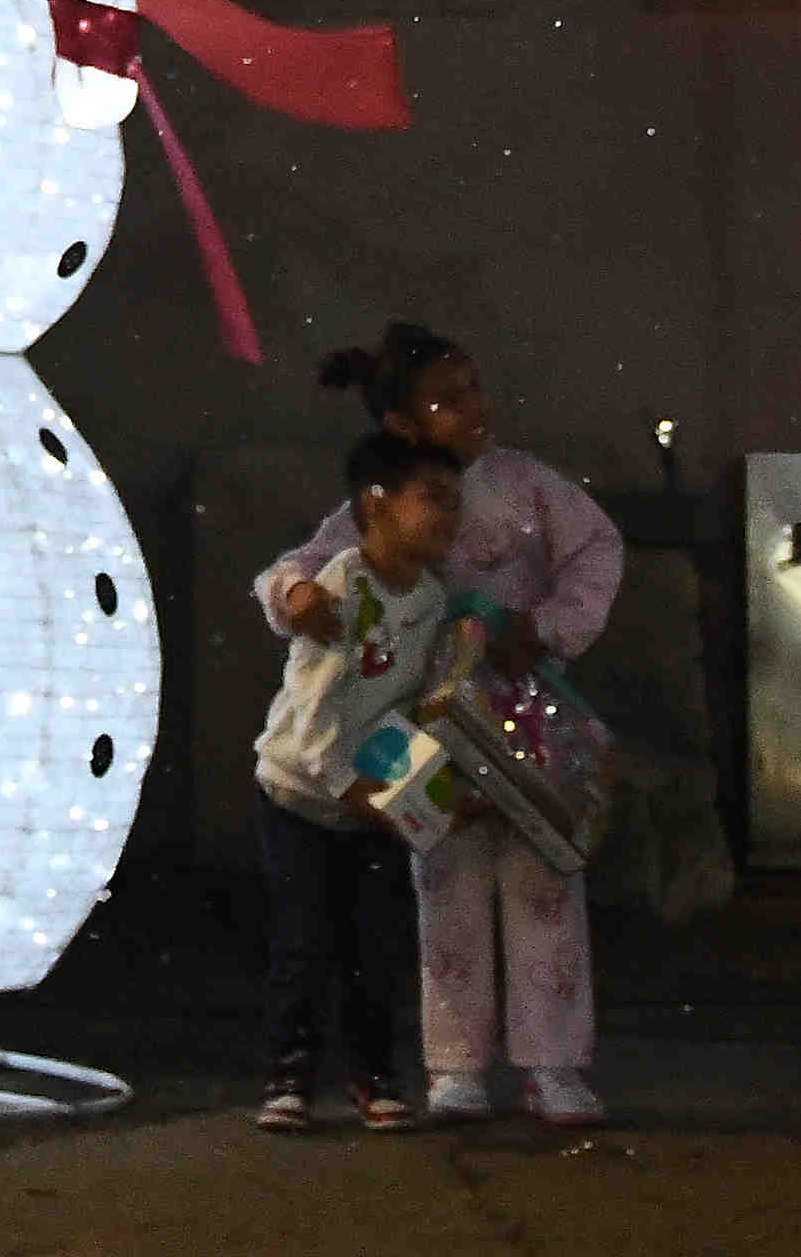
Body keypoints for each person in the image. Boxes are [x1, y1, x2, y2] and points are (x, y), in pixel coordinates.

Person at [258, 322, 624, 1129]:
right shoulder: (380, 508)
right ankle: (455, 1067)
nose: (473, 409)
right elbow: (297, 566)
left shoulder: (528, 484)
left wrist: (553, 627)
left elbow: (597, 546)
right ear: (400, 425)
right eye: (447, 399)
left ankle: (553, 1064)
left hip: (523, 704)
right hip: (425, 722)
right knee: (443, 875)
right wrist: (294, 596)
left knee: (544, 873)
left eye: (473, 390)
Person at [250, 429, 465, 1134]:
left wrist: (421, 795)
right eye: (430, 497)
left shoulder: (431, 599)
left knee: (375, 943)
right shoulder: (343, 584)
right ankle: (289, 1074)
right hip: (299, 796)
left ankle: (373, 1074)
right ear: (376, 503)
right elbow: (315, 717)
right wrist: (358, 794)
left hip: (364, 798)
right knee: (303, 941)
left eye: (453, 502)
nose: (447, 515)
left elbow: (403, 709)